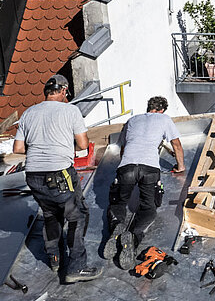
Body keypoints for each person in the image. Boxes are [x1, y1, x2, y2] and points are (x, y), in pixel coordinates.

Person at [12, 74, 102, 283]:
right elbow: (82, 144)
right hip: (59, 173)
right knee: (77, 215)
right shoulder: (71, 110)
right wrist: (59, 146)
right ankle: (76, 268)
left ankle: (55, 259)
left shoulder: (28, 112)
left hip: (33, 175)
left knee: (51, 215)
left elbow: (18, 148)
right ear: (63, 91)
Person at [102, 96, 184, 269]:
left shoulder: (132, 120)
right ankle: (133, 236)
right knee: (148, 208)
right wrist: (180, 167)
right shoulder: (164, 119)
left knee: (118, 203)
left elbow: (123, 148)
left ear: (149, 108)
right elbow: (176, 145)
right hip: (149, 169)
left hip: (127, 166)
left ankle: (117, 225)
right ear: (162, 110)